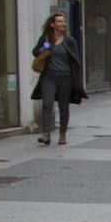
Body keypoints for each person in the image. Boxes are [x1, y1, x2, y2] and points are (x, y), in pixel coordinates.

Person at [30, 13, 87, 145]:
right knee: (47, 103)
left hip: (65, 77)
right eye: (59, 21)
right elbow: (35, 52)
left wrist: (77, 81)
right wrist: (45, 47)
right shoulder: (45, 39)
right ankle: (46, 134)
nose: (63, 24)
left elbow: (76, 62)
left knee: (63, 106)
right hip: (48, 76)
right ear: (52, 24)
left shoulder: (69, 41)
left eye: (64, 21)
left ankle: (62, 134)